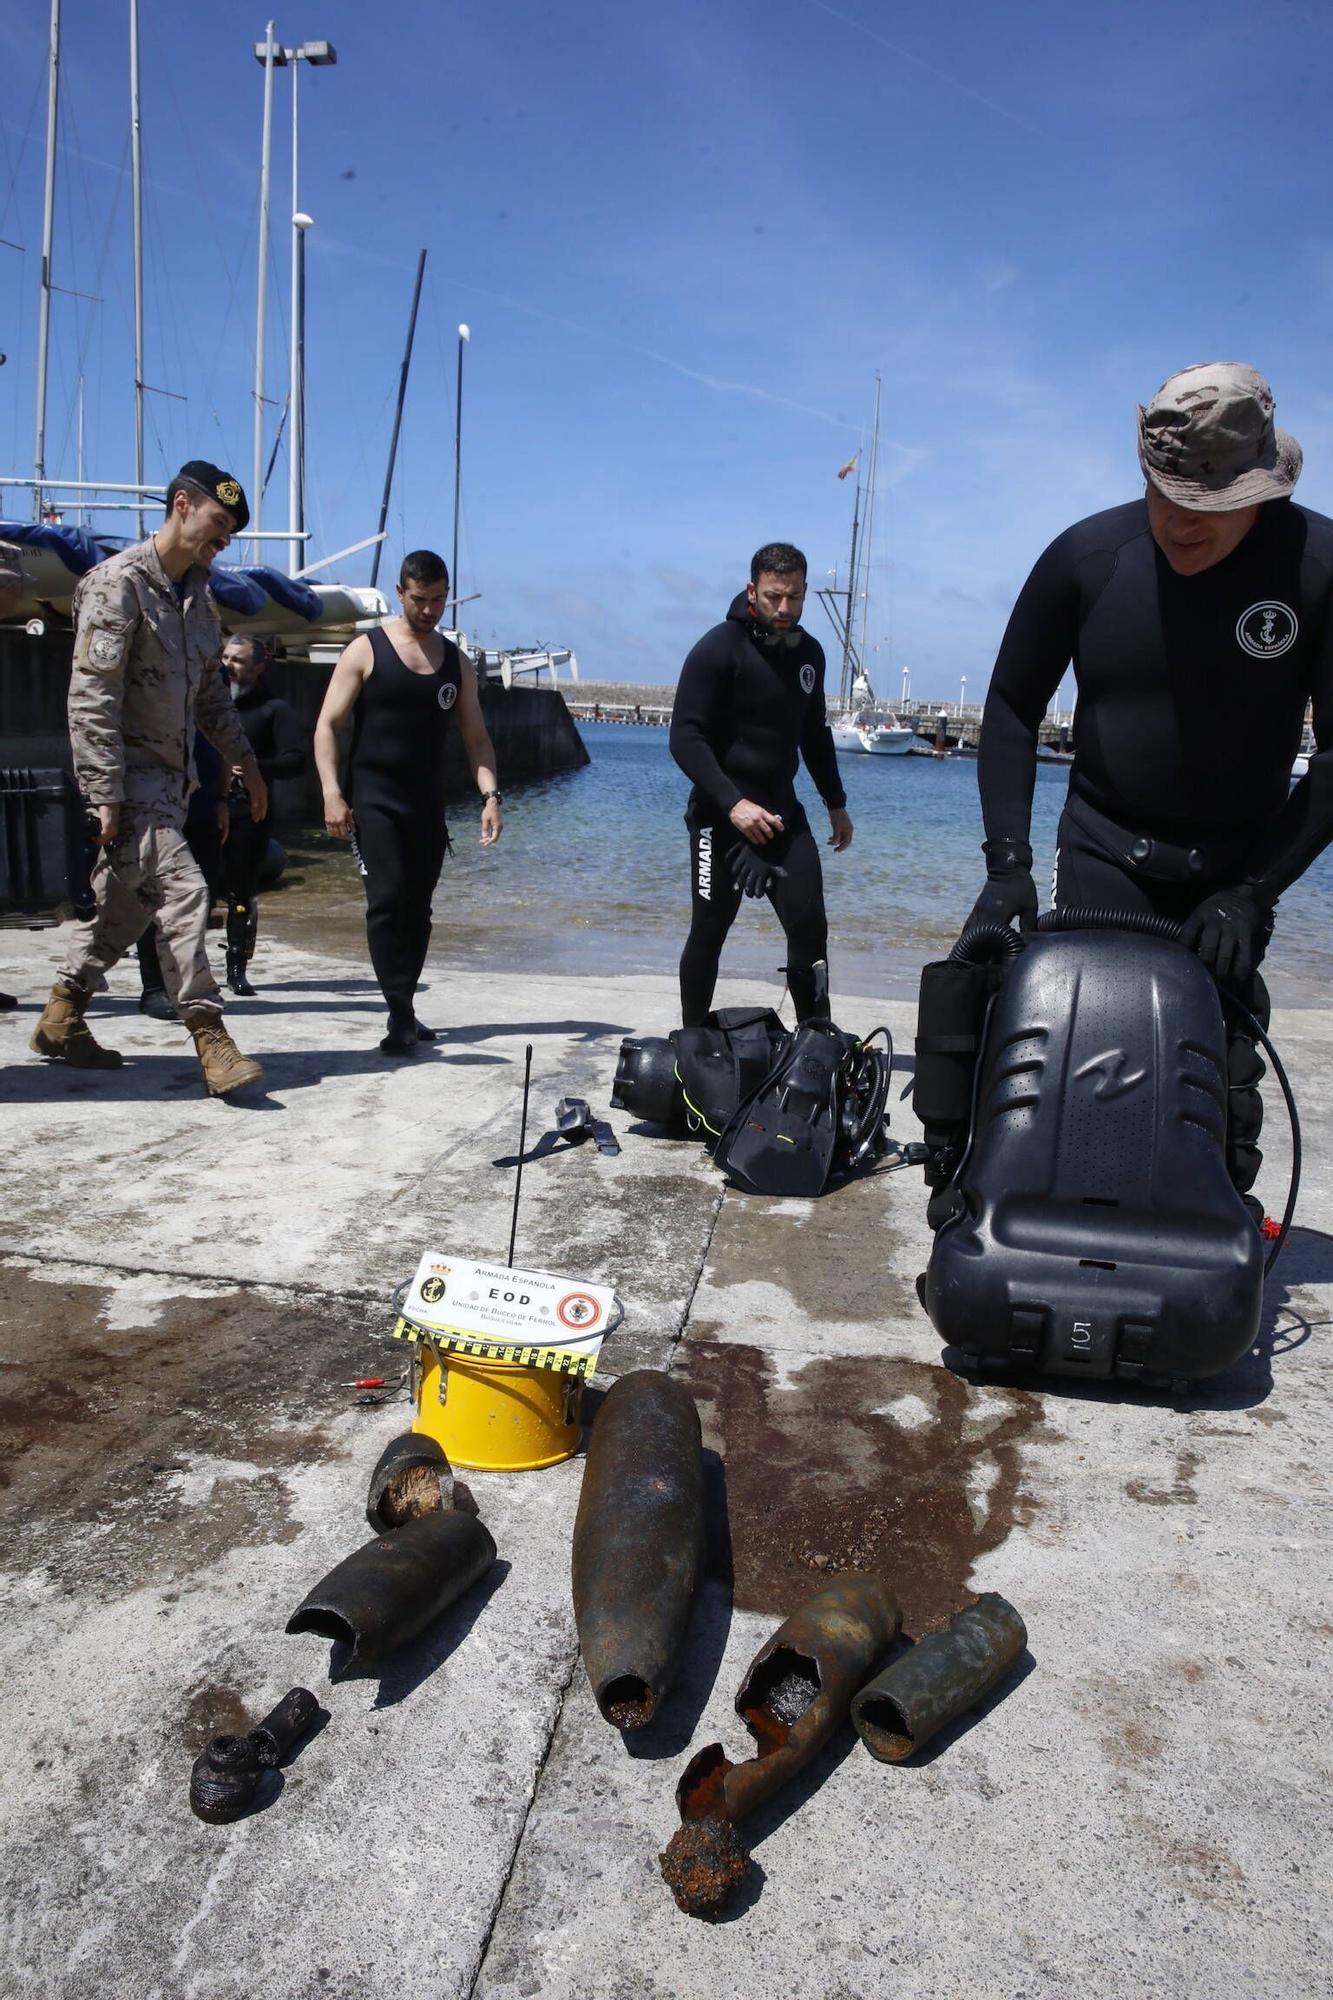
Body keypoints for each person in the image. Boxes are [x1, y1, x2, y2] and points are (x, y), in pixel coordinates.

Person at [969, 361, 1333, 1211]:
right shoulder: (1086, 557)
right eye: (1161, 492)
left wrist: (1253, 891)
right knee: (1062, 1045)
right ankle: (1018, 1211)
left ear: (1259, 488)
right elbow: (1013, 706)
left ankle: (1207, 1222)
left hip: (1235, 863)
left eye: (1206, 503)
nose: (1178, 521)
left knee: (1215, 1057)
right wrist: (1004, 865)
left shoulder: (1316, 567)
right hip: (1103, 843)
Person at [30, 460, 269, 1096]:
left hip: (172, 784)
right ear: (181, 504)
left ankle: (62, 1015)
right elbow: (91, 699)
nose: (224, 541)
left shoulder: (199, 598)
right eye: (219, 525)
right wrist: (102, 793)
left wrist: (244, 760)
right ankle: (210, 1035)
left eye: (231, 533)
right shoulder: (118, 585)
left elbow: (213, 700)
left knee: (122, 910)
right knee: (186, 892)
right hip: (126, 783)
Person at [314, 548, 502, 1055]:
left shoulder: (454, 663)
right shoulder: (366, 650)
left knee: (418, 909)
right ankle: (400, 1011)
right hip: (374, 802)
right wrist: (333, 792)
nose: (430, 610)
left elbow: (477, 739)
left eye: (440, 600)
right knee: (387, 900)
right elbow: (328, 725)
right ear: (401, 593)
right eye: (421, 599)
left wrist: (490, 796)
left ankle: (405, 1010)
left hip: (427, 806)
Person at [669, 541, 853, 1027]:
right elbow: (685, 738)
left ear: (805, 591)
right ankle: (693, 1041)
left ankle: (815, 1041)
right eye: (774, 596)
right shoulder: (719, 649)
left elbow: (814, 734)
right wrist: (733, 805)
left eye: (794, 597)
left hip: (781, 819)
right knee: (709, 931)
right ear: (753, 589)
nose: (784, 608)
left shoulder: (809, 653)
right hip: (721, 819)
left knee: (810, 928)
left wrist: (836, 803)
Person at [217, 632, 307, 994]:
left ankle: (237, 967)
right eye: (224, 658)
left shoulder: (273, 709)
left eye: (237, 660)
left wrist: (254, 766)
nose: (228, 666)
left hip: (249, 811)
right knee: (193, 889)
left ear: (257, 667)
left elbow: (296, 761)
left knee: (241, 891)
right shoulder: (205, 704)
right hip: (206, 805)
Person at [135, 733, 229, 1019]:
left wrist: (223, 798)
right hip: (155, 803)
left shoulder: (212, 687)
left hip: (203, 803)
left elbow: (222, 736)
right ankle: (155, 987)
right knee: (154, 897)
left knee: (201, 898)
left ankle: (188, 983)